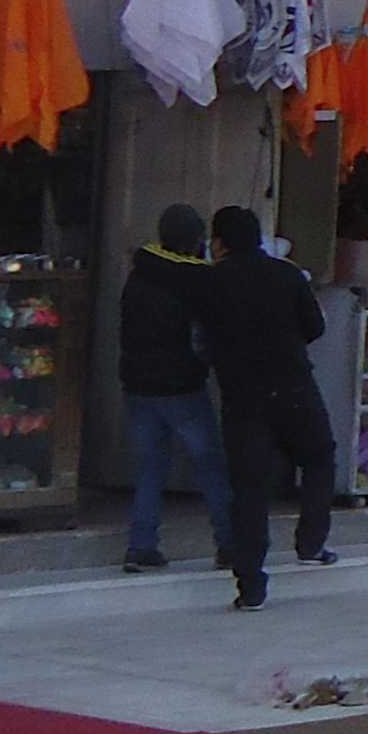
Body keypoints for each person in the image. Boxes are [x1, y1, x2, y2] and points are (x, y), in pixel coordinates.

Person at [201, 201, 336, 610]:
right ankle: (311, 542)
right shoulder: (287, 274)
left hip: (243, 396)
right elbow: (314, 326)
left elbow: (201, 338)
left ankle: (251, 585)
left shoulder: (211, 282)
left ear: (219, 243)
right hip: (294, 385)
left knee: (249, 488)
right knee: (318, 456)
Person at [114, 204, 224, 574]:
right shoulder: (196, 281)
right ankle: (228, 542)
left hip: (138, 385)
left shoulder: (139, 274)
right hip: (181, 386)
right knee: (209, 465)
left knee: (149, 468)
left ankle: (140, 545)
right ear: (196, 240)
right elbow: (204, 333)